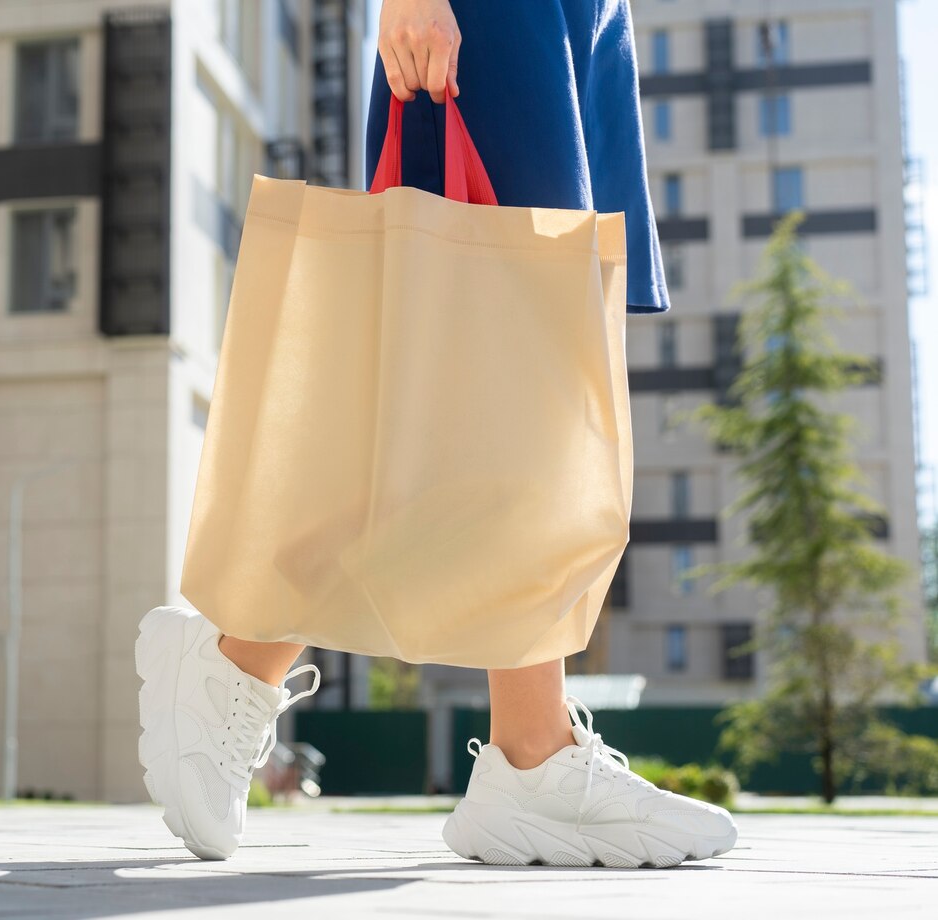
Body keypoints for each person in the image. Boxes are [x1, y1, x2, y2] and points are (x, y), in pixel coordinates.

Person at [135, 0, 739, 867]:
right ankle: (241, 665)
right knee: (461, 380)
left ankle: (525, 750)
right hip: (489, 17)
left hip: (586, 21)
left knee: (536, 392)